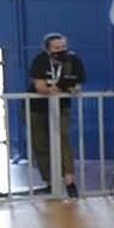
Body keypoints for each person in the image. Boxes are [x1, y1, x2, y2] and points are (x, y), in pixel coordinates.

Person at [27, 33, 86, 198]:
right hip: (37, 108)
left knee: (63, 139)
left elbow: (77, 83)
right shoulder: (40, 60)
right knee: (40, 143)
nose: (61, 50)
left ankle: (69, 181)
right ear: (47, 50)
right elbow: (39, 86)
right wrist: (48, 90)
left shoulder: (73, 60)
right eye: (56, 48)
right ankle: (50, 183)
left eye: (63, 47)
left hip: (61, 107)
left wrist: (75, 89)